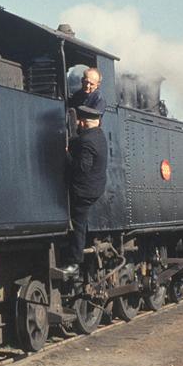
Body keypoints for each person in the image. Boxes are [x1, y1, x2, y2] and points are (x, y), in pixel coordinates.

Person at [64, 105, 108, 276]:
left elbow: (82, 167)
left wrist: (67, 155)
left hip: (84, 191)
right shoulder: (99, 135)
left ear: (82, 122)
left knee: (78, 225)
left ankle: (74, 264)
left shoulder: (87, 141)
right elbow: (80, 142)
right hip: (96, 186)